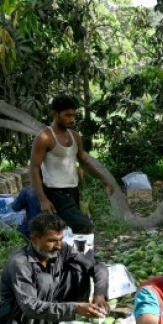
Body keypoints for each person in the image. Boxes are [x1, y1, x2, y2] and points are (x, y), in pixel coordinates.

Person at [29, 95, 113, 234]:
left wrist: (102, 178)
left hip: (72, 190)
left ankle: (70, 255)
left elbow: (84, 161)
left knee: (63, 231)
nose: (72, 119)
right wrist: (43, 199)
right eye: (67, 115)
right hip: (54, 191)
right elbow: (34, 168)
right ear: (55, 114)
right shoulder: (44, 137)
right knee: (83, 226)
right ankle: (84, 255)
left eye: (74, 115)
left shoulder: (75, 136)